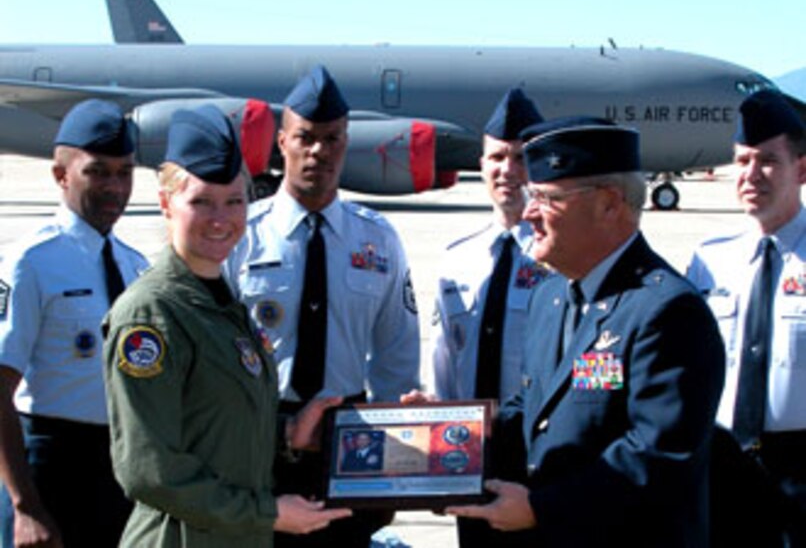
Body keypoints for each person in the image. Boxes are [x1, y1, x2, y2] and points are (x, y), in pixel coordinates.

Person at [447, 117, 726, 547]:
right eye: (530, 196)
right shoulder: (550, 295)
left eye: (546, 197)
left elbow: (657, 456)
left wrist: (542, 509)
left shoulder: (667, 311)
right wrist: (454, 430)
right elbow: (534, 410)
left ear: (610, 204)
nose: (529, 213)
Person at [103, 105, 351, 547]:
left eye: (235, 201)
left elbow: (210, 423)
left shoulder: (223, 301)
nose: (221, 219)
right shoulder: (152, 314)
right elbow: (148, 469)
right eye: (201, 201)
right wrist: (268, 513)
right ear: (166, 204)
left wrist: (288, 434)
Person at [225, 65, 420, 548]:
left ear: (345, 142)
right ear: (282, 143)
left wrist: (393, 452)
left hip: (347, 437)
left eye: (332, 139)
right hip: (260, 433)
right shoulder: (241, 236)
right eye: (305, 138)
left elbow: (397, 351)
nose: (319, 152)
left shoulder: (377, 238)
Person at [0, 99, 147, 548]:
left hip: (118, 472)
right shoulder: (31, 262)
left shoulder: (135, 264)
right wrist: (25, 506)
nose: (114, 187)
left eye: (124, 173)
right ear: (61, 175)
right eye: (97, 171)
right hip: (48, 469)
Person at [686, 89, 806, 546]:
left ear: (802, 168)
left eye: (768, 161)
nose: (751, 175)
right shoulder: (709, 260)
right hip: (722, 463)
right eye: (742, 161)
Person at [428, 88, 547, 548]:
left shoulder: (562, 258)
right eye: (497, 157)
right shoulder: (458, 259)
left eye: (521, 157)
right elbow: (445, 366)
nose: (508, 171)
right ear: (481, 163)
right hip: (472, 452)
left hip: (540, 456)